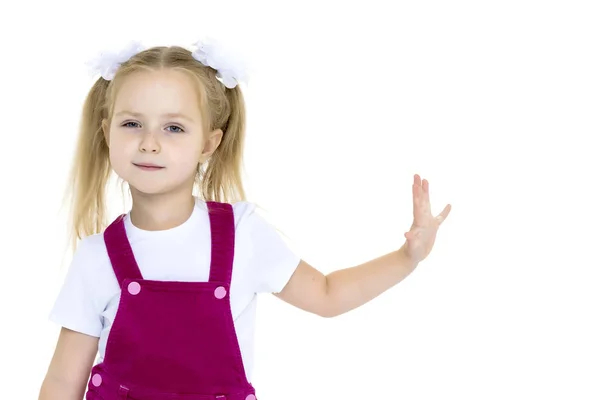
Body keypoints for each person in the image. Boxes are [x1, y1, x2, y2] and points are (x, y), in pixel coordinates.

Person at [38, 38, 451, 400]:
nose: (150, 144)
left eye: (174, 128)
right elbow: (61, 382)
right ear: (107, 132)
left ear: (209, 142)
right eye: (132, 124)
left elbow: (326, 294)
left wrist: (406, 258)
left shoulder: (242, 235)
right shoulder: (96, 258)